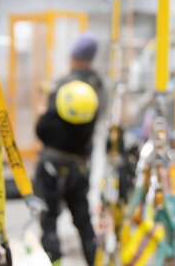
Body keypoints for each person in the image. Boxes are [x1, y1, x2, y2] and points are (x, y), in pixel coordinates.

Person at [35, 32, 105, 265]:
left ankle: (55, 262)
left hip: (51, 165)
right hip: (80, 166)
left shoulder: (65, 87)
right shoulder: (98, 88)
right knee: (83, 221)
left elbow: (44, 129)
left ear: (75, 57)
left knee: (50, 219)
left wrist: (42, 112)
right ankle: (95, 261)